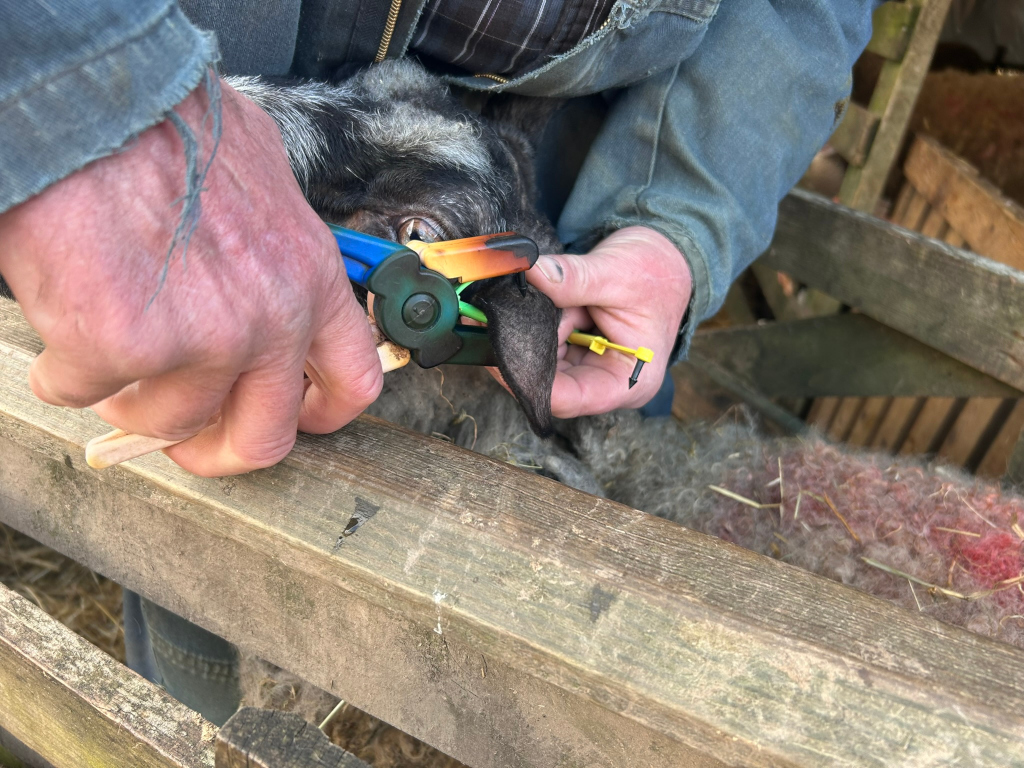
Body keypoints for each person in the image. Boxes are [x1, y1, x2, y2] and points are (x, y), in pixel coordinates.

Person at [0, 0, 879, 726]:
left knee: (581, 607)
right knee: (216, 601)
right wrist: (106, 107)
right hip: (202, 191)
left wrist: (674, 217)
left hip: (558, 203)